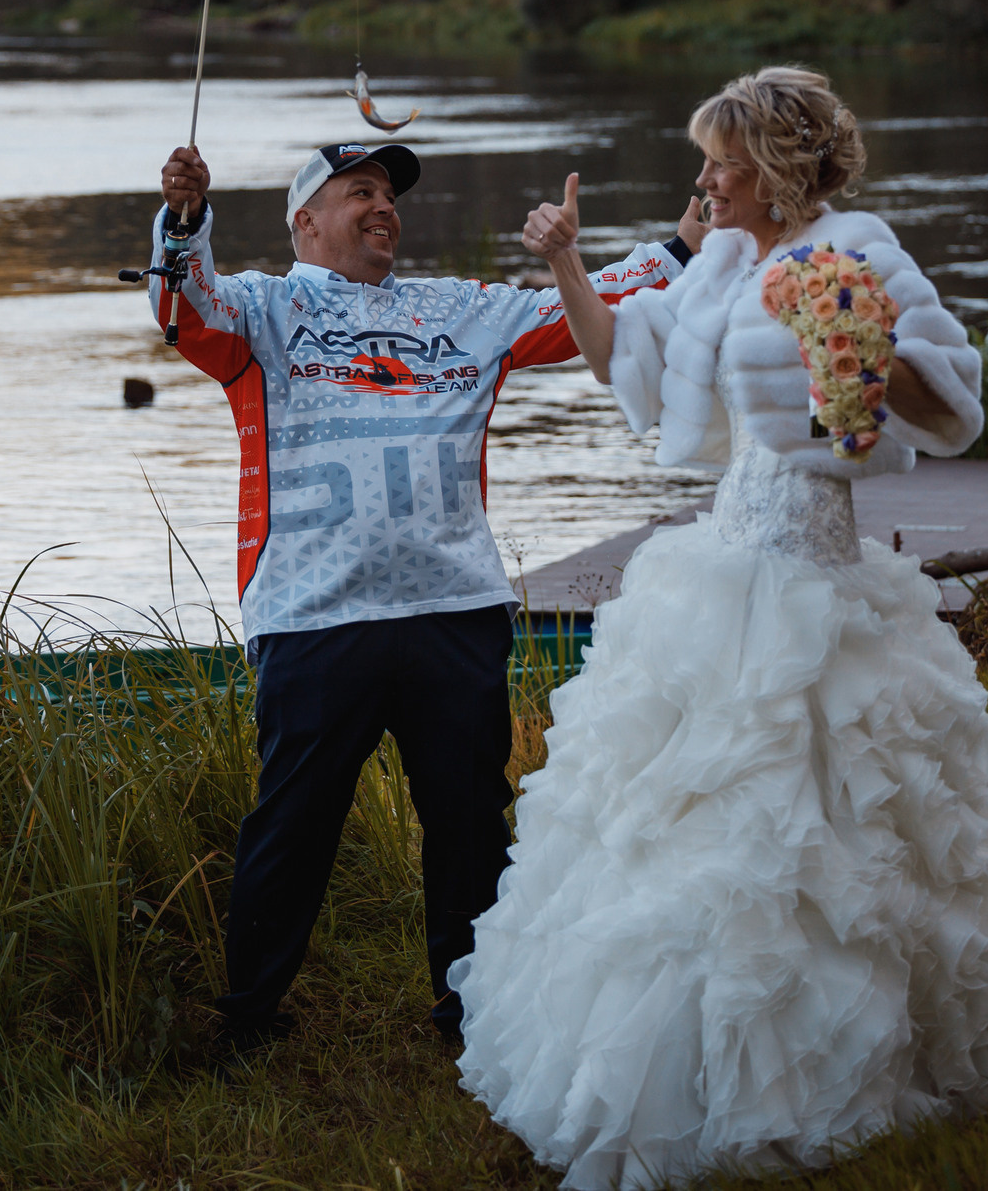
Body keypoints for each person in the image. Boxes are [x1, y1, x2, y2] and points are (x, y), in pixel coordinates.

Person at [449, 68, 988, 1188]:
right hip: (717, 571)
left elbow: (955, 411)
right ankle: (688, 1073)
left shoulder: (859, 246)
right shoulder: (725, 260)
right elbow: (623, 364)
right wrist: (562, 260)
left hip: (818, 574)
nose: (702, 181)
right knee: (688, 830)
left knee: (850, 823)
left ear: (776, 166)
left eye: (719, 162)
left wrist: (867, 353)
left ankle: (863, 1062)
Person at [150, 140, 703, 1054]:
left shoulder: (460, 307)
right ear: (305, 223)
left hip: (455, 607)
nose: (383, 207)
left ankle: (471, 1012)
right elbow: (184, 308)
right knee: (292, 822)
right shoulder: (262, 307)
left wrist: (687, 235)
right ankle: (248, 1018)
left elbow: (588, 308)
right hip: (314, 613)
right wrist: (183, 221)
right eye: (359, 192)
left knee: (468, 819)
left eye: (390, 195)